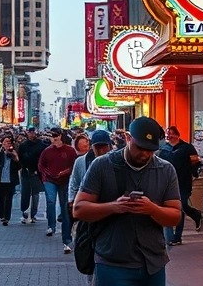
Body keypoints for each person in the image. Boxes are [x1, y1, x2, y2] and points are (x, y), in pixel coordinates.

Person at [73, 117, 181, 286]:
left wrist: (152, 209)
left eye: (151, 150)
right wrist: (114, 207)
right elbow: (79, 209)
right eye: (140, 148)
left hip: (152, 262)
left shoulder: (165, 170)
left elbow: (175, 216)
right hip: (112, 261)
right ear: (128, 138)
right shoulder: (102, 165)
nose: (145, 154)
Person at [157, 125, 203, 246]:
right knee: (169, 207)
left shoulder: (187, 148)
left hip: (183, 181)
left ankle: (177, 236)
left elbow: (195, 163)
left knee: (180, 207)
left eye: (171, 133)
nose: (169, 135)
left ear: (177, 135)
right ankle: (170, 237)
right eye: (167, 133)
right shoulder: (163, 149)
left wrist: (194, 175)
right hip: (166, 183)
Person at [39, 128, 78, 253]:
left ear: (60, 136)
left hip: (65, 181)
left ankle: (66, 240)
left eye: (56, 136)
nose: (54, 138)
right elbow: (41, 165)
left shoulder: (70, 150)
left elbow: (74, 164)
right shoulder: (47, 151)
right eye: (51, 136)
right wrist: (48, 174)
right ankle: (51, 226)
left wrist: (66, 172)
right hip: (50, 180)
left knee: (65, 208)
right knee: (50, 201)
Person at [18, 128, 46, 224]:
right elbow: (20, 158)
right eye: (30, 132)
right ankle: (25, 213)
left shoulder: (41, 144)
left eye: (33, 132)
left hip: (36, 172)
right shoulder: (23, 145)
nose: (32, 134)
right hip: (26, 171)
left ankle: (33, 214)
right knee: (25, 193)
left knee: (35, 194)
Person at [0, 136, 20, 225]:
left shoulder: (14, 153)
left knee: (9, 199)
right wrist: (2, 150)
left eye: (9, 142)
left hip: (11, 180)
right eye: (6, 142)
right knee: (1, 198)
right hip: (1, 179)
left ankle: (6, 217)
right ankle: (1, 215)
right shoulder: (0, 152)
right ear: (3, 143)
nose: (8, 144)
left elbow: (19, 167)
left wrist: (15, 157)